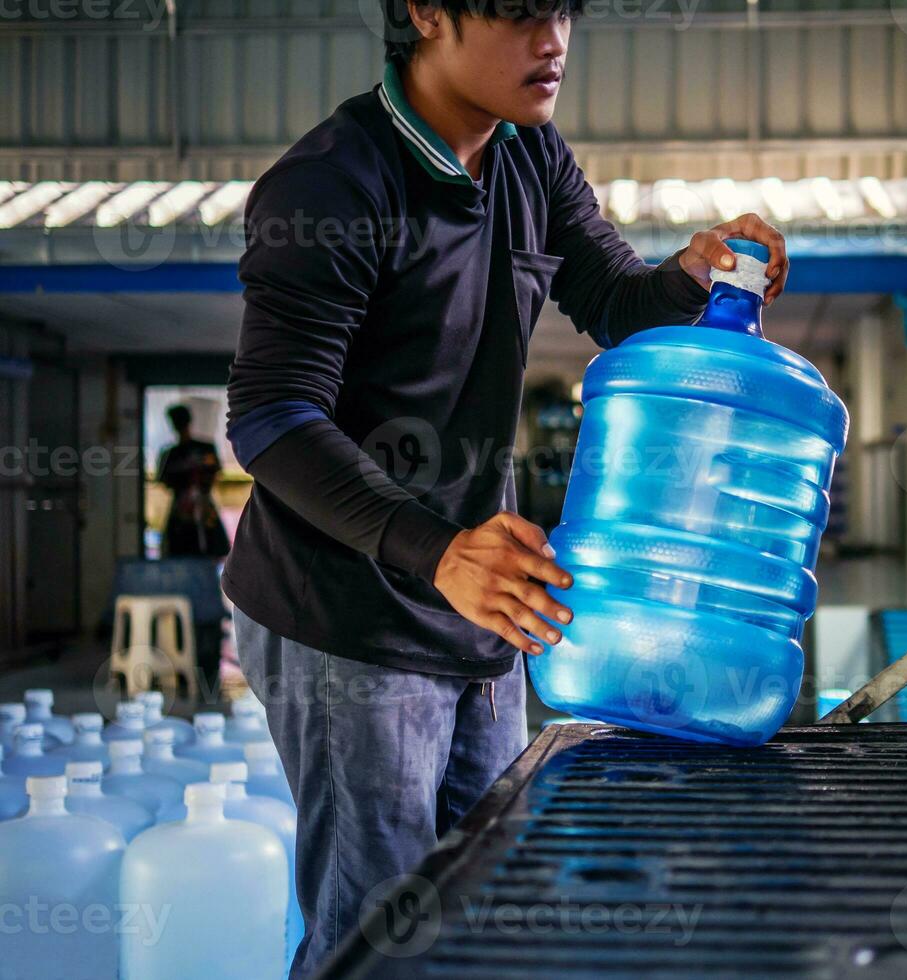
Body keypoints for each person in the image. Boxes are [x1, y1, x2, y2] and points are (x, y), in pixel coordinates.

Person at [222, 0, 790, 974]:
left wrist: (692, 273)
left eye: (565, 11)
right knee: (382, 927)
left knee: (496, 899)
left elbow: (612, 301)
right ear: (427, 14)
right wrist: (435, 549)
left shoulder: (530, 155)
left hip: (484, 595)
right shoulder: (333, 183)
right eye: (523, 12)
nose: (554, 40)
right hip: (345, 608)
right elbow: (271, 418)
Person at [156, 404, 230, 559]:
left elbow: (163, 480)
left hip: (194, 508)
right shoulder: (178, 452)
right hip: (189, 509)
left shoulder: (173, 453)